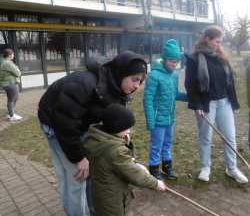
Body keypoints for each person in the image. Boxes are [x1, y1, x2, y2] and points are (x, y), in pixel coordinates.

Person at [38, 51, 148, 216]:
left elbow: (114, 120)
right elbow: (65, 124)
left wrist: (125, 145)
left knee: (91, 170)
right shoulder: (85, 84)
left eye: (140, 81)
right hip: (55, 123)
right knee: (77, 177)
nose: (137, 86)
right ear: (122, 73)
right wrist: (79, 157)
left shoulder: (119, 89)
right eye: (134, 80)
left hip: (79, 123)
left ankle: (95, 210)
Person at [185, 25, 248, 184]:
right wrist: (197, 105)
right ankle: (206, 167)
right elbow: (190, 85)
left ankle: (231, 168)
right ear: (207, 39)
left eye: (221, 42)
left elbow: (230, 82)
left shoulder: (221, 57)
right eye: (217, 41)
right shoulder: (194, 59)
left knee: (230, 137)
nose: (219, 44)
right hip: (207, 104)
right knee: (206, 136)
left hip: (224, 102)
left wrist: (233, 102)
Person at [83, 104, 167, 216]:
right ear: (115, 128)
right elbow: (134, 174)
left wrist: (124, 143)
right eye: (126, 128)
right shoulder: (115, 151)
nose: (129, 131)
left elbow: (121, 163)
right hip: (112, 198)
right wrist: (155, 183)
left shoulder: (99, 138)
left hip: (101, 192)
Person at [143, 39, 187, 180]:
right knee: (157, 145)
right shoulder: (154, 75)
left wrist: (189, 97)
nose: (174, 64)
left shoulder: (174, 75)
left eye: (176, 62)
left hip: (169, 118)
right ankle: (154, 169)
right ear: (164, 59)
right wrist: (150, 121)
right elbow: (147, 99)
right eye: (171, 61)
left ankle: (167, 167)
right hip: (157, 119)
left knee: (167, 143)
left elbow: (174, 94)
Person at [0, 48, 22, 121]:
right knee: (12, 99)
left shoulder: (5, 62)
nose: (13, 55)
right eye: (13, 54)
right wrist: (17, 69)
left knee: (13, 98)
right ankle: (12, 115)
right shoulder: (8, 63)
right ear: (9, 55)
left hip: (7, 84)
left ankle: (11, 113)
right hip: (10, 84)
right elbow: (18, 73)